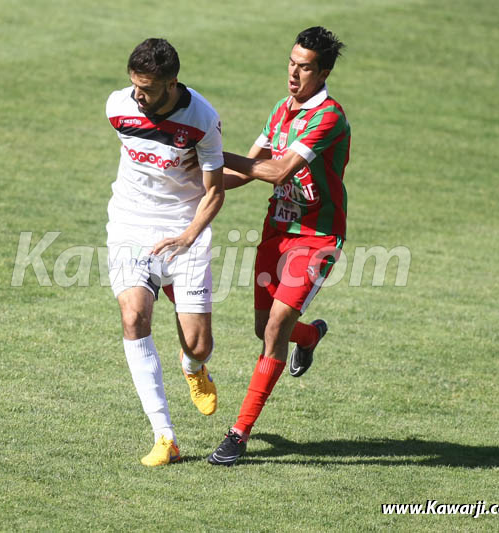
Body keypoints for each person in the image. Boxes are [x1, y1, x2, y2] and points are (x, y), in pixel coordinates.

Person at [207, 27, 350, 466]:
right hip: (277, 232)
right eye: (291, 62)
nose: (293, 72)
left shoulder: (328, 117)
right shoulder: (280, 110)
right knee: (265, 327)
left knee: (275, 327)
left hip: (316, 238)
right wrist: (193, 180)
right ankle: (309, 337)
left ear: (322, 73)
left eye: (304, 67)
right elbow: (246, 171)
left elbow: (277, 171)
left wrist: (210, 151)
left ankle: (238, 434)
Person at [105, 38, 225, 466]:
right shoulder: (118, 107)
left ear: (172, 84)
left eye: (148, 89)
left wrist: (188, 237)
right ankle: (164, 436)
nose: (138, 96)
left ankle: (193, 368)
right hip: (131, 225)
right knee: (133, 317)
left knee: (198, 344)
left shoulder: (203, 119)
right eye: (135, 85)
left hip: (184, 229)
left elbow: (215, 192)